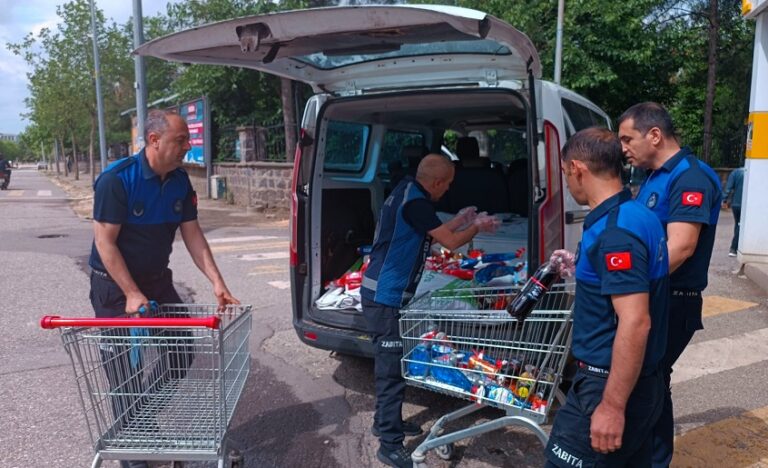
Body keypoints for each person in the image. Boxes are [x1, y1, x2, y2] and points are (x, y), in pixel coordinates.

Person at [89, 109, 239, 468]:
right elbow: (105, 243)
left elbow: (192, 233)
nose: (187, 146)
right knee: (124, 373)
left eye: (187, 140)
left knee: (180, 352)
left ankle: (136, 420)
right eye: (180, 140)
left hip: (158, 282)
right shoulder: (116, 180)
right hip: (114, 288)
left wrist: (217, 281)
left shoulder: (179, 182)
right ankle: (134, 451)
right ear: (154, 140)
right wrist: (130, 292)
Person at [360, 153, 499, 468]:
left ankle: (385, 423)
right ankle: (390, 445)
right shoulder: (416, 202)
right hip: (384, 295)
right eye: (447, 184)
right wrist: (476, 226)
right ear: (437, 182)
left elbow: (433, 229)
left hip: (384, 292)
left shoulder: (410, 192)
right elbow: (449, 242)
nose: (447, 190)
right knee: (391, 371)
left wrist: (462, 218)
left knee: (392, 364)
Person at [544, 127, 669, 467]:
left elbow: (636, 321)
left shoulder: (615, 233)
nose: (568, 183)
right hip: (642, 381)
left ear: (577, 169)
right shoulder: (637, 213)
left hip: (605, 384)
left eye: (566, 173)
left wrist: (611, 407)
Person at [618, 102, 721, 468]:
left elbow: (681, 246)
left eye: (628, 139)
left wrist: (625, 283)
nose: (623, 148)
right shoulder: (653, 175)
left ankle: (651, 459)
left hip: (672, 299)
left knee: (649, 382)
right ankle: (650, 458)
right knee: (652, 381)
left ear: (655, 135)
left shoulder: (691, 177)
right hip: (655, 295)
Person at [722, 166, 744, 256]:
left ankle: (737, 246)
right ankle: (734, 248)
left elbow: (728, 188)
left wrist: (724, 199)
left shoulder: (736, 172)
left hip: (736, 203)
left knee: (738, 224)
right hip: (745, 204)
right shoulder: (753, 172)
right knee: (740, 225)